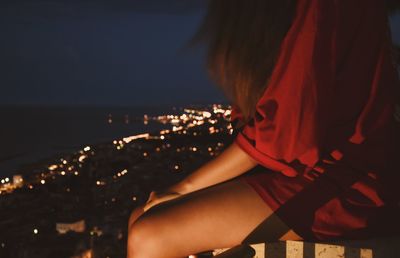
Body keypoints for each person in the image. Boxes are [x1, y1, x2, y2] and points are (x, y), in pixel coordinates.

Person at [127, 0, 400, 257]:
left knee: (149, 235)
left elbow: (281, 132)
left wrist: (184, 187)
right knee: (141, 217)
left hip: (346, 182)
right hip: (310, 170)